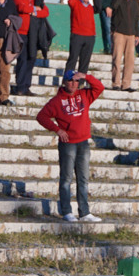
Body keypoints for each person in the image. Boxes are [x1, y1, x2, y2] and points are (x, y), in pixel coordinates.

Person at [36, 69, 105, 222]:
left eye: (76, 81)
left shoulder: (84, 95)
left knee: (83, 179)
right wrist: (57, 130)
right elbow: (41, 116)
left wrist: (86, 76)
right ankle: (66, 211)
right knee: (66, 179)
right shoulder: (56, 101)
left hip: (83, 143)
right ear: (64, 82)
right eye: (70, 81)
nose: (73, 84)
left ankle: (84, 212)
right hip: (68, 144)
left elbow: (99, 87)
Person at [12, 0, 48, 96]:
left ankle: (26, 86)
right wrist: (35, 8)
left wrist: (34, 12)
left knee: (31, 59)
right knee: (22, 59)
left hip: (33, 34)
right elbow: (21, 7)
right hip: (20, 33)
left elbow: (46, 12)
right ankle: (20, 86)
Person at [108, 0, 139, 91]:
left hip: (131, 35)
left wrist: (137, 34)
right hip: (119, 33)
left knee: (130, 61)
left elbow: (136, 19)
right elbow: (114, 6)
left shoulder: (134, 3)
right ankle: (116, 83)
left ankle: (126, 84)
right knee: (117, 59)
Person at [66, 0, 95, 73]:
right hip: (77, 35)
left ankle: (81, 80)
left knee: (85, 62)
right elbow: (70, 1)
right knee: (73, 59)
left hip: (90, 36)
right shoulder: (76, 3)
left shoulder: (91, 7)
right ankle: (68, 79)